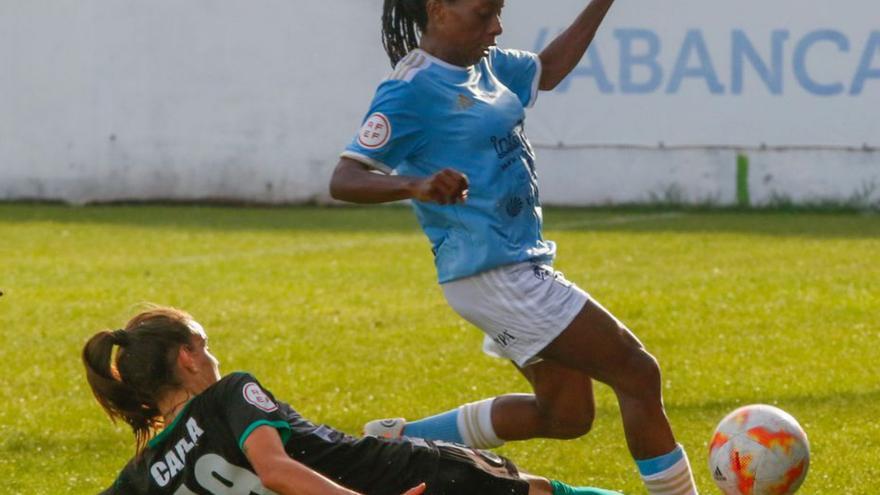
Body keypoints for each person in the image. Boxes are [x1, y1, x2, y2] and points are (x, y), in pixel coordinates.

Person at [329, 1, 699, 494]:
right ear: (438, 9)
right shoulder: (410, 89)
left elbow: (548, 68)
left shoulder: (486, 64)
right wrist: (416, 185)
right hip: (493, 274)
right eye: (484, 13)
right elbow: (345, 178)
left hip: (516, 266)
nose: (497, 27)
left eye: (499, 11)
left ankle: (398, 443)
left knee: (566, 414)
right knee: (636, 372)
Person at [83, 306, 623, 495]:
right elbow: (275, 470)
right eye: (205, 344)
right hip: (410, 479)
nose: (214, 356)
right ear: (187, 357)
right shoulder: (230, 394)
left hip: (391, 469)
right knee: (547, 492)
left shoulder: (145, 473)